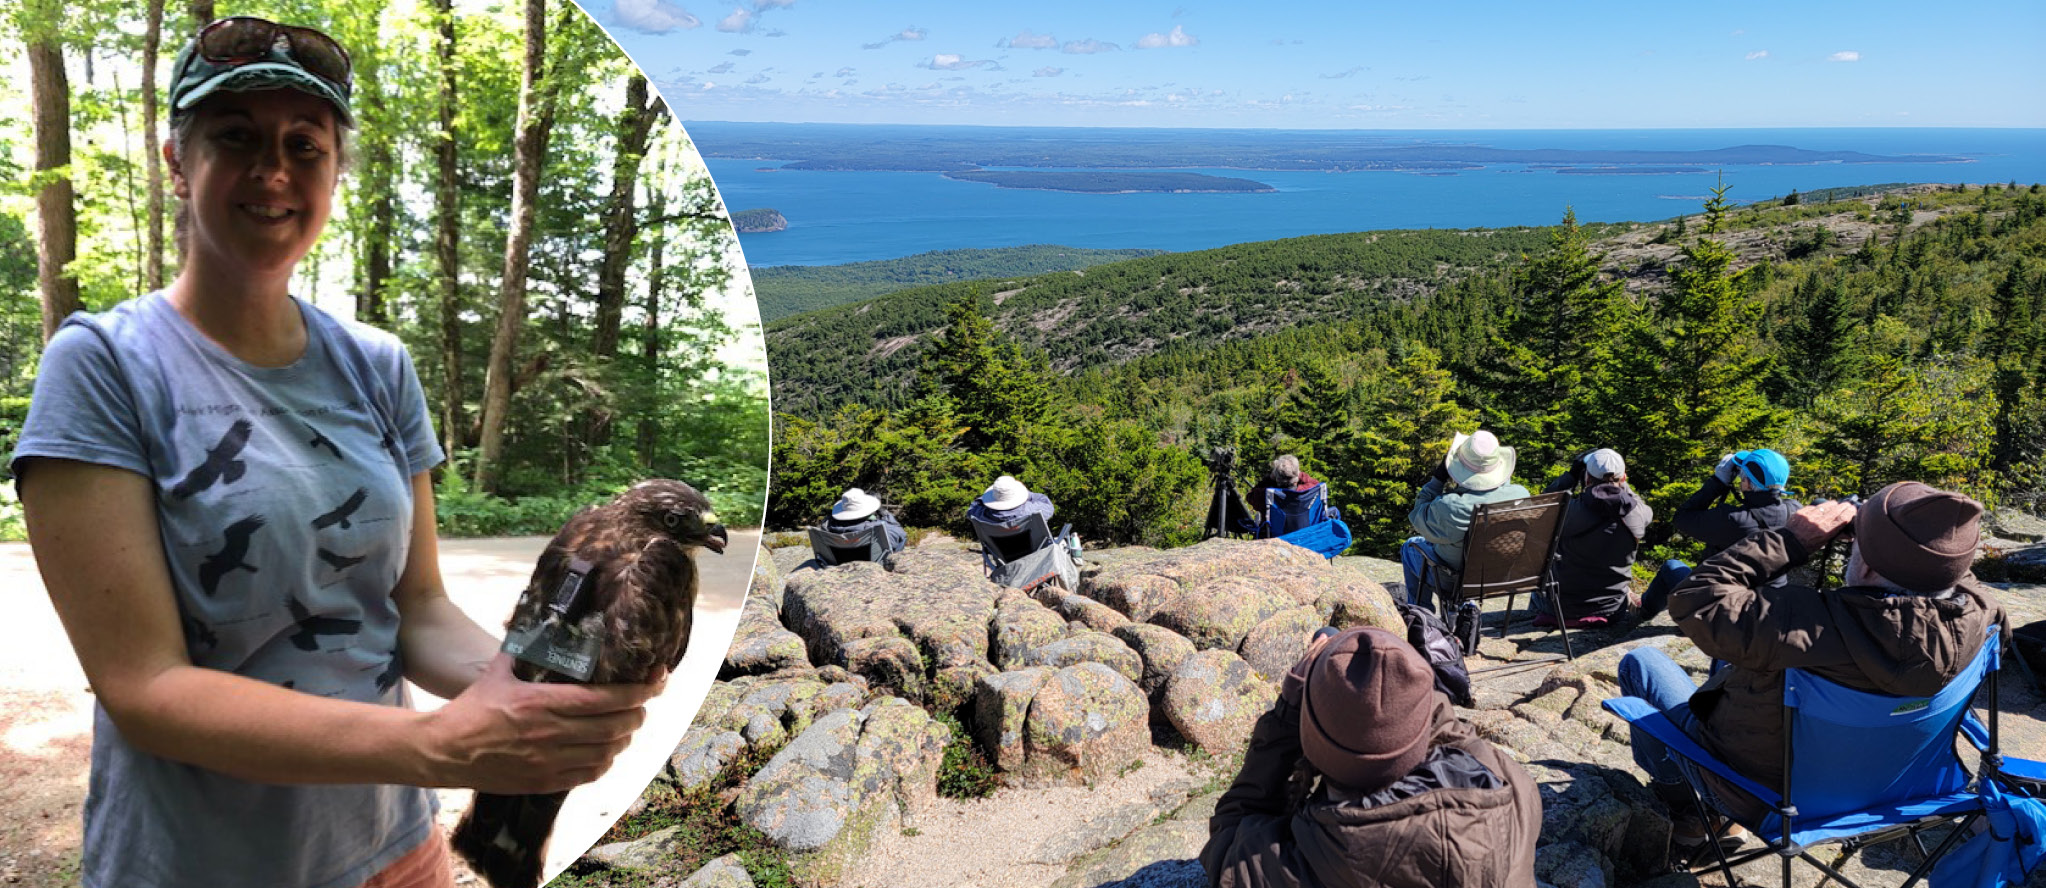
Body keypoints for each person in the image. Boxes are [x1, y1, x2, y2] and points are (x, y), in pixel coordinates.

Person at [12, 18, 658, 888]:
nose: (272, 169)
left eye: (303, 145)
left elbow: (418, 608)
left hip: (392, 850)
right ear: (177, 160)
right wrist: (440, 745)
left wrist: (539, 690)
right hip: (195, 865)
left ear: (334, 172)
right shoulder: (104, 366)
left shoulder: (376, 365)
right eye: (235, 137)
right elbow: (145, 687)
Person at [1616, 482, 2005, 852]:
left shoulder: (1801, 626)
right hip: (1902, 788)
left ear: (1868, 569)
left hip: (1760, 795)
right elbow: (1950, 576)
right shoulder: (1985, 620)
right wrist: (1897, 544)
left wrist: (1793, 539)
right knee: (1729, 661)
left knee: (1642, 663)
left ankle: (1695, 813)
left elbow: (1694, 598)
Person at [1201, 627, 1541, 888]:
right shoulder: (1512, 793)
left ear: (1312, 742)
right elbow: (1454, 732)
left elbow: (1229, 831)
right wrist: (1395, 676)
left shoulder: (1289, 866)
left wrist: (1290, 709)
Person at [1639, 448, 1800, 619]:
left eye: (1742, 476)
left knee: (1671, 567)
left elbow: (1682, 518)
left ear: (1747, 482)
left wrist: (1718, 481)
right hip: (1767, 608)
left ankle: (1643, 613)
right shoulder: (1794, 511)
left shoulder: (1735, 520)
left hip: (1724, 614)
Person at [1400, 430, 1530, 610]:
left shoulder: (1452, 507)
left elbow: (1417, 516)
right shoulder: (1521, 495)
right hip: (1501, 575)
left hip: (1456, 580)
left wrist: (1438, 479)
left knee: (1410, 546)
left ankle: (1422, 615)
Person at [1534, 448, 1652, 628]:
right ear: (1624, 478)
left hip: (1559, 608)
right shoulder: (1638, 514)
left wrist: (1571, 476)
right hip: (1610, 610)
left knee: (1537, 591)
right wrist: (1619, 484)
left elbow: (1541, 507)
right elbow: (1640, 506)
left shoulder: (1567, 511)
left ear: (1587, 478)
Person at [821, 487, 906, 554]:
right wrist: (882, 511)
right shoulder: (878, 528)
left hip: (839, 562)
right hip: (873, 564)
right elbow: (901, 535)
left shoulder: (830, 528)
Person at [1245, 453, 1320, 518]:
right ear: (1297, 474)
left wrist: (1269, 478)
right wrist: (1298, 473)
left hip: (1275, 534)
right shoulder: (1307, 491)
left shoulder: (1266, 495)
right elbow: (1316, 483)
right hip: (1302, 532)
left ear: (1276, 477)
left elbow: (1250, 495)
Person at [969, 474, 1056, 527]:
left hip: (1001, 553)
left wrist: (987, 499)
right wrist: (1027, 495)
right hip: (1033, 549)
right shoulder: (1030, 510)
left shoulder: (982, 514)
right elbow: (1046, 504)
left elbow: (973, 507)